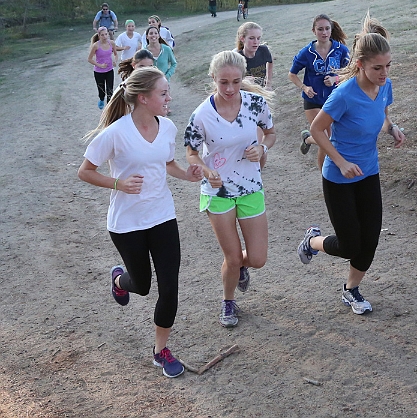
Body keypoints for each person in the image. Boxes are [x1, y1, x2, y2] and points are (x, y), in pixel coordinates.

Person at [78, 67, 203, 378]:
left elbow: (167, 162)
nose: (169, 98)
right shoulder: (116, 133)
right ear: (144, 98)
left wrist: (186, 175)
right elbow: (85, 171)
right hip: (127, 223)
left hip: (162, 216)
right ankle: (119, 280)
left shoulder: (168, 127)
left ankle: (160, 351)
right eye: (163, 93)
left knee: (170, 287)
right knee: (143, 286)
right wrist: (118, 184)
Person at [296, 13, 405, 315]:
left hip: (369, 171)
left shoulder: (384, 86)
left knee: (368, 242)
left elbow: (381, 114)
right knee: (348, 245)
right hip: (339, 177)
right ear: (360, 65)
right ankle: (313, 241)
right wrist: (341, 162)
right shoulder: (343, 95)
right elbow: (317, 130)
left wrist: (392, 128)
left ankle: (351, 290)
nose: (384, 73)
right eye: (377, 68)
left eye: (388, 66)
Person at [184, 51, 276, 328]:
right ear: (213, 79)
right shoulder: (201, 115)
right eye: (223, 82)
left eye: (236, 82)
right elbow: (191, 152)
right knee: (232, 257)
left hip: (250, 187)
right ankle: (228, 301)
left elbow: (271, 134)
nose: (229, 89)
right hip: (218, 191)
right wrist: (207, 170)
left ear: (243, 79)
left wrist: (262, 148)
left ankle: (240, 269)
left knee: (257, 259)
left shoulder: (255, 104)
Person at [289, 14, 351, 169]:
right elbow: (292, 74)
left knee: (330, 138)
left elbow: (350, 72)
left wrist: (335, 79)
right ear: (313, 31)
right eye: (320, 29)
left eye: (327, 29)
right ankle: (325, 175)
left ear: (331, 29)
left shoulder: (340, 50)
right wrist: (304, 87)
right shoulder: (306, 52)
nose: (324, 32)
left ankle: (308, 139)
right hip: (313, 100)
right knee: (327, 139)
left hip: (334, 99)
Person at [235, 22, 274, 168]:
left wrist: (268, 83)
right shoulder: (237, 57)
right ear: (242, 38)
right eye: (251, 38)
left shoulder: (263, 51)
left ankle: (258, 170)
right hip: (243, 102)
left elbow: (270, 63)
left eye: (258, 38)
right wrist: (244, 81)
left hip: (261, 100)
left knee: (262, 139)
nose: (256, 42)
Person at [88, 26, 119, 110]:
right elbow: (89, 59)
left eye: (106, 34)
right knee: (102, 92)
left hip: (109, 70)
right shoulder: (96, 46)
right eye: (102, 35)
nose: (105, 36)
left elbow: (116, 54)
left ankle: (109, 108)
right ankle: (101, 99)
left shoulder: (111, 43)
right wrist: (100, 65)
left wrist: (115, 61)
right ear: (99, 35)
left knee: (110, 90)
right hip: (99, 72)